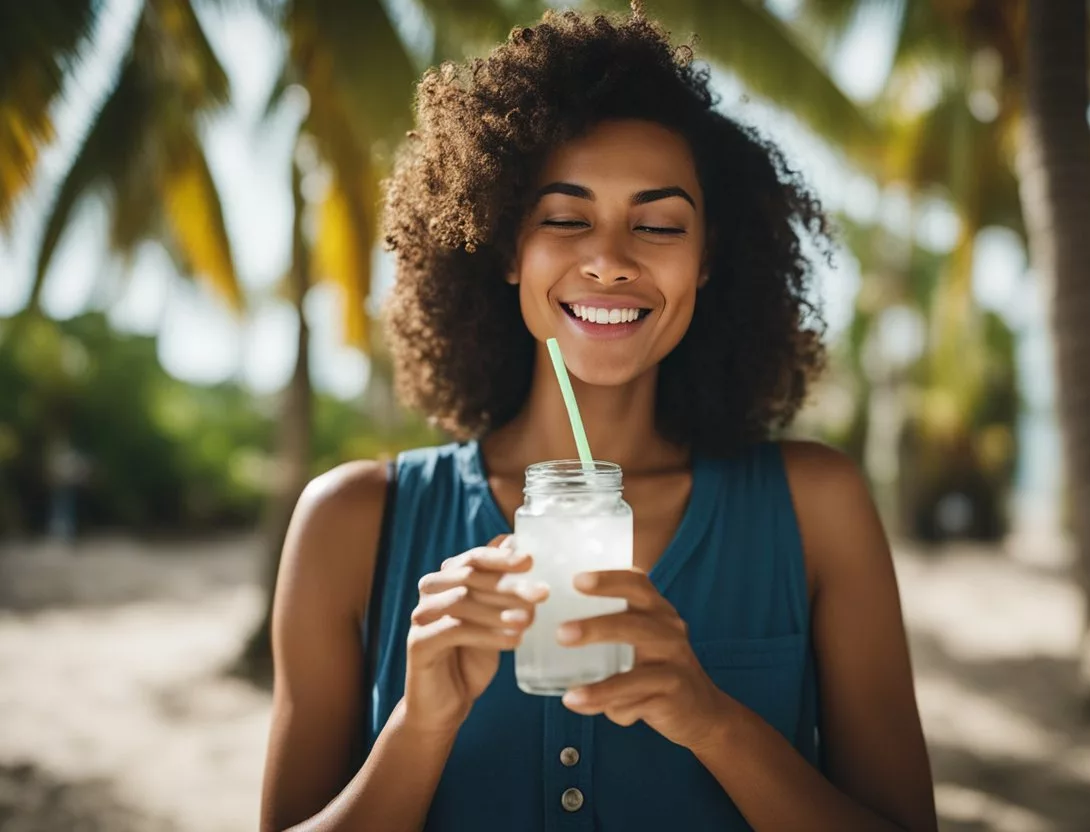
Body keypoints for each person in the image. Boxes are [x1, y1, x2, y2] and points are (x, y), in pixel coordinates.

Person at [260, 7, 937, 831]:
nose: (610, 259)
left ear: (708, 257)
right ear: (509, 249)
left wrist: (711, 720)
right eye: (565, 218)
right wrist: (420, 724)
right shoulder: (349, 522)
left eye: (657, 225)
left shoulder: (816, 507)